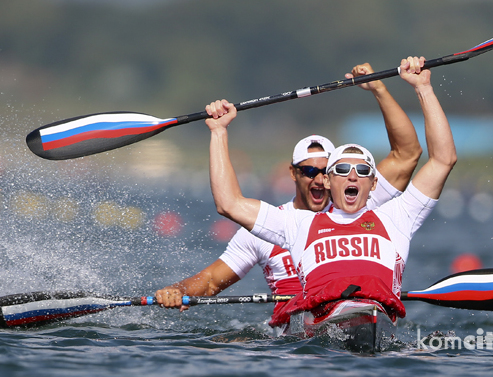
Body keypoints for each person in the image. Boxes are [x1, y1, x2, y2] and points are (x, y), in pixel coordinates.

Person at [155, 62, 423, 326]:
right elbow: (212, 280)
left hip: (356, 309)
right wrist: (178, 290)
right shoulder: (273, 225)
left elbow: (407, 154)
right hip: (294, 342)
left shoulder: (359, 204)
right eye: (308, 171)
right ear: (293, 173)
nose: (318, 180)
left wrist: (379, 90)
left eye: (326, 171)